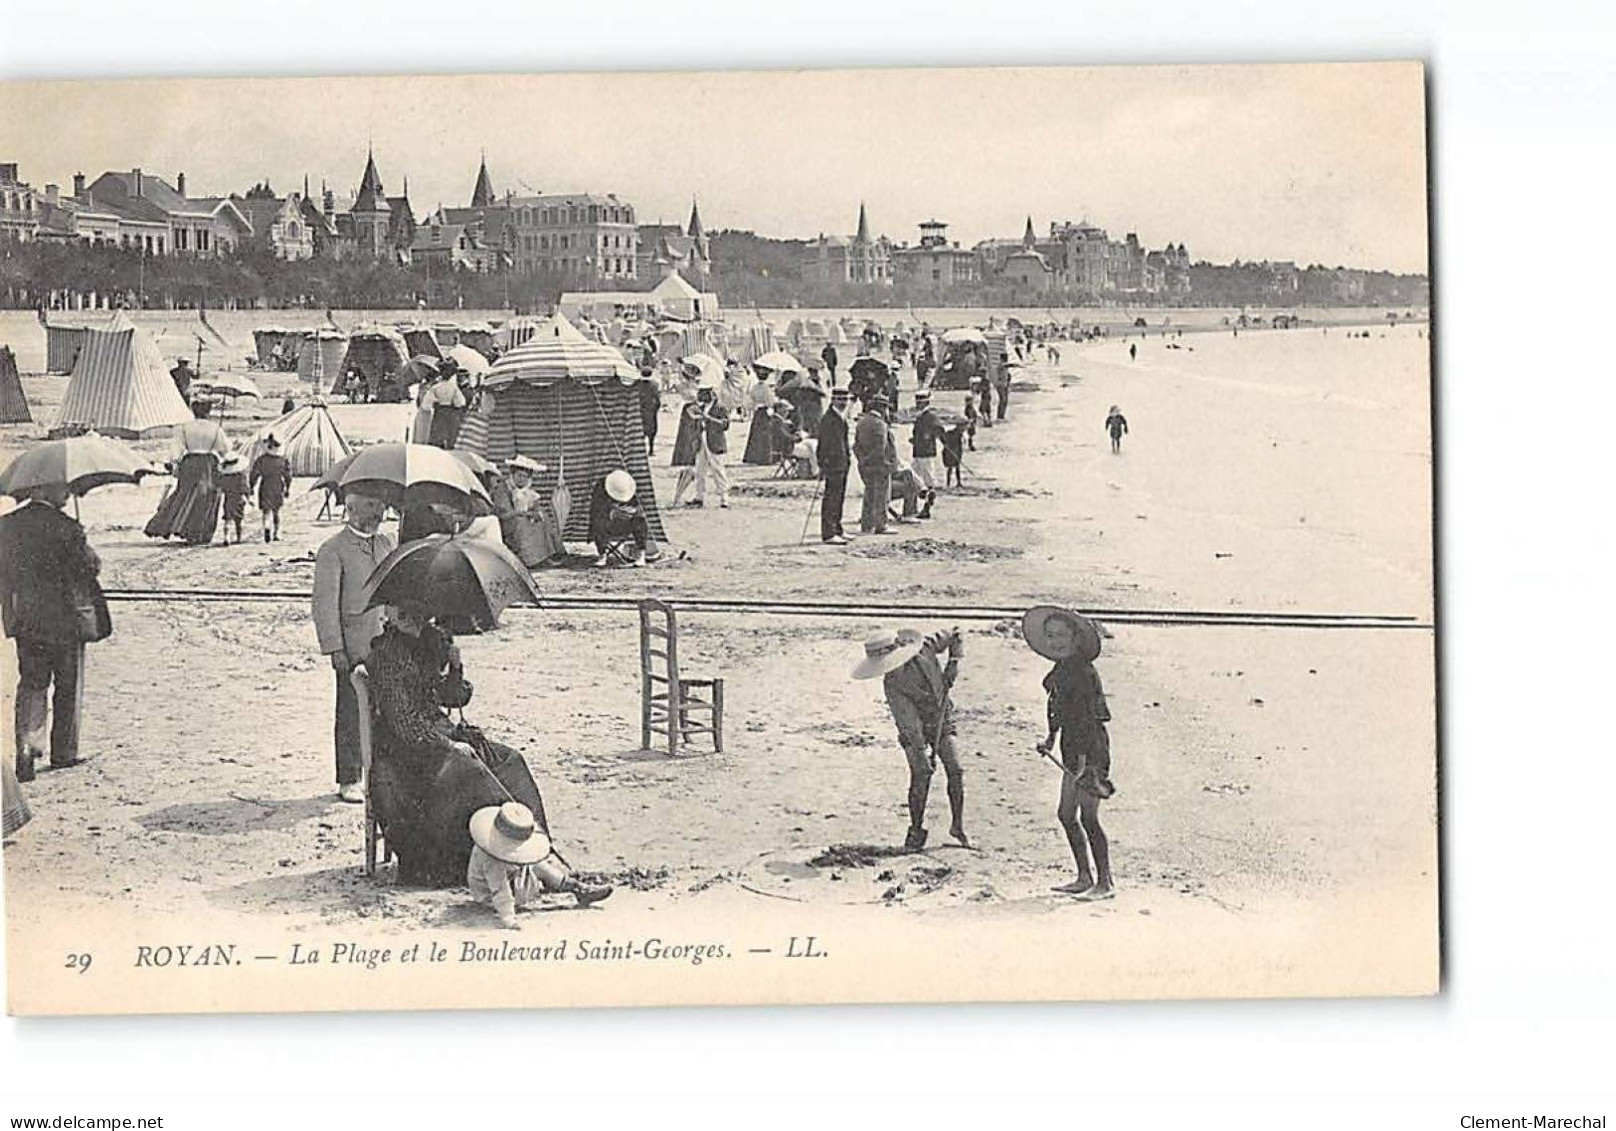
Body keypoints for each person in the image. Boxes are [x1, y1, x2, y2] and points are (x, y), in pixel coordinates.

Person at [365, 601, 555, 887]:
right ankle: (529, 864)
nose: (416, 619)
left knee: (509, 760)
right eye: (406, 613)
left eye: (420, 612)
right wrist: (449, 746)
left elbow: (453, 697)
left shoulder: (428, 641)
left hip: (440, 736)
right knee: (474, 771)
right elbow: (405, 725)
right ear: (391, 615)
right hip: (406, 753)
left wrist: (455, 667)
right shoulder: (385, 655)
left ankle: (539, 848)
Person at [0, 483, 109, 783]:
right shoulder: (68, 527)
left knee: (32, 683)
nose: (68, 495)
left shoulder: (6, 526)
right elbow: (89, 568)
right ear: (49, 492)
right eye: (64, 490)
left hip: (27, 620)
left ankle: (26, 746)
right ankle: (64, 752)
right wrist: (84, 543)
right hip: (65, 620)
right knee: (68, 684)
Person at [1024, 606, 1115, 899]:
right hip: (1071, 750)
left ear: (1076, 639)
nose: (1056, 642)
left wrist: (1088, 766)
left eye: (1062, 635)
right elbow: (1057, 712)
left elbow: (1093, 719)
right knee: (1066, 814)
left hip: (1091, 751)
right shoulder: (1060, 671)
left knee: (1088, 817)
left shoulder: (1085, 673)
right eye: (1050, 636)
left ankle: (1105, 883)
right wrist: (1050, 740)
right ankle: (1083, 876)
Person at [851, 626, 968, 851]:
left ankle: (957, 827)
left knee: (956, 769)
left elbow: (955, 634)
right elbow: (909, 724)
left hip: (942, 717)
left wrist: (953, 662)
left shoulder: (926, 646)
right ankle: (916, 828)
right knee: (921, 773)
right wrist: (921, 751)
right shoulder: (892, 685)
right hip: (914, 731)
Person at [312, 487, 394, 804]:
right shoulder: (333, 550)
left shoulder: (387, 543)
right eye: (372, 504)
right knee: (350, 713)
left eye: (382, 504)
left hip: (386, 644)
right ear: (350, 508)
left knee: (385, 712)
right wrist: (335, 649)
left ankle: (381, 776)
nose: (379, 511)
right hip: (353, 647)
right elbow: (324, 604)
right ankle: (348, 777)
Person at [467, 802, 613, 926]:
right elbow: (499, 889)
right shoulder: (490, 855)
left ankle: (578, 889)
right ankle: (569, 888)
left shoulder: (501, 846)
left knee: (537, 864)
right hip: (489, 897)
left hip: (509, 878)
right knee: (533, 868)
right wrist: (508, 919)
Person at [144, 404, 229, 545]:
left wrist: (174, 462)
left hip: (190, 462)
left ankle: (185, 528)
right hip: (208, 463)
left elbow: (177, 448)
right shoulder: (215, 429)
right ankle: (201, 531)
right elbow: (225, 450)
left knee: (185, 494)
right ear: (208, 412)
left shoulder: (184, 427)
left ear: (193, 411)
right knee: (207, 496)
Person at [500, 455, 562, 567]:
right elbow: (504, 512)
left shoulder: (527, 491)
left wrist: (536, 513)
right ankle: (528, 559)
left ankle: (545, 556)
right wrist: (524, 514)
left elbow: (534, 505)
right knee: (521, 523)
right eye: (519, 475)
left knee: (543, 519)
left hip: (522, 517)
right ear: (512, 475)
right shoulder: (503, 489)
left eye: (525, 477)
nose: (521, 479)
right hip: (506, 521)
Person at [589, 469, 655, 566]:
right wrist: (611, 513)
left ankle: (641, 555)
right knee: (598, 522)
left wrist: (631, 512)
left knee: (640, 520)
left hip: (625, 524)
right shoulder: (600, 489)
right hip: (607, 524)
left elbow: (638, 507)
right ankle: (602, 555)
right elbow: (595, 511)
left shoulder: (631, 488)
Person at [853, 393, 894, 535]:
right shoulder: (879, 424)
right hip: (879, 464)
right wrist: (881, 461)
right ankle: (881, 524)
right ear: (882, 408)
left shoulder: (862, 422)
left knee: (869, 494)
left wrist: (862, 459)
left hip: (865, 464)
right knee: (881, 496)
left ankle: (867, 524)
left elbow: (855, 446)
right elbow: (880, 448)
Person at [817, 386, 852, 545]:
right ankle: (829, 533)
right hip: (833, 464)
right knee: (831, 499)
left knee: (839, 498)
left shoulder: (840, 417)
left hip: (842, 463)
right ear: (833, 400)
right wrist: (823, 464)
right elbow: (823, 445)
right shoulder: (828, 419)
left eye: (845, 400)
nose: (843, 403)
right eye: (840, 400)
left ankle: (837, 528)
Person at [248, 435, 293, 543]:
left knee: (266, 511)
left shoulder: (261, 460)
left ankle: (267, 527)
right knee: (277, 511)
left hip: (265, 486)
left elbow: (254, 474)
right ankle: (277, 533)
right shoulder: (283, 460)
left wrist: (251, 487)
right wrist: (288, 488)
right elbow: (288, 476)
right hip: (278, 486)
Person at [691, 386, 730, 508]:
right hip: (702, 439)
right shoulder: (701, 407)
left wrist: (709, 419)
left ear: (711, 394)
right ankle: (699, 496)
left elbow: (725, 424)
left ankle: (724, 498)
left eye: (703, 394)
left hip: (714, 441)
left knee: (718, 470)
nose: (700, 397)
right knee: (699, 470)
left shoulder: (720, 407)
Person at [909, 390, 943, 492]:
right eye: (917, 402)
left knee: (927, 472)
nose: (917, 404)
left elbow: (939, 429)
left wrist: (929, 436)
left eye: (919, 403)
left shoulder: (931, 416)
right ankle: (920, 490)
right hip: (918, 449)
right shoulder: (920, 416)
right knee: (914, 472)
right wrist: (914, 439)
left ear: (925, 403)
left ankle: (931, 491)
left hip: (926, 449)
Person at [742, 369, 777, 465]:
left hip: (758, 412)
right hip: (764, 412)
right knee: (765, 435)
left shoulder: (755, 387)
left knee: (756, 434)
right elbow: (770, 402)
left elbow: (750, 401)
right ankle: (764, 458)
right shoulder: (766, 389)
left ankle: (753, 456)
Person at [217, 452, 249, 545]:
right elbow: (244, 488)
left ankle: (226, 537)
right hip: (239, 499)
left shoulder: (224, 477)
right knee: (239, 520)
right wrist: (248, 497)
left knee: (228, 519)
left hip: (228, 499)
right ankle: (239, 537)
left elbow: (220, 487)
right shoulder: (240, 476)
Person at [637, 370, 662, 456]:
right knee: (652, 431)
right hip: (651, 410)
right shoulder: (655, 384)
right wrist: (656, 408)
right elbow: (658, 398)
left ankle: (641, 450)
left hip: (640, 410)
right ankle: (651, 450)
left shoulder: (637, 385)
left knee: (641, 431)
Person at [940, 421, 967, 488]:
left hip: (956, 452)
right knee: (950, 468)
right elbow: (943, 438)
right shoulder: (951, 433)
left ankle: (958, 482)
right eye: (962, 428)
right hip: (950, 453)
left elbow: (960, 445)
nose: (963, 430)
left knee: (957, 467)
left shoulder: (959, 434)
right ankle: (948, 483)